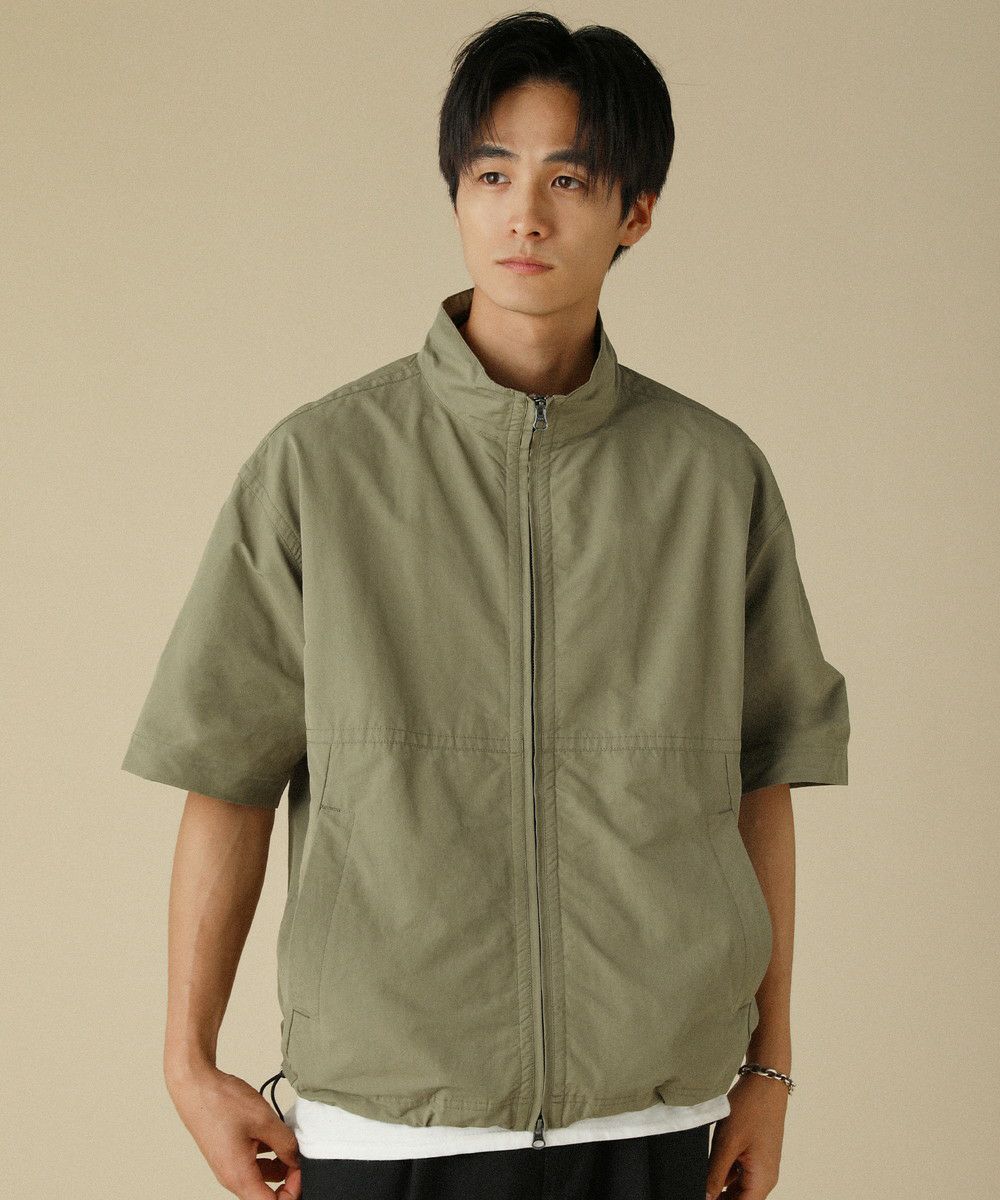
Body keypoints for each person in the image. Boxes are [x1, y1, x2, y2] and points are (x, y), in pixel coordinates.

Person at [121, 11, 849, 1200]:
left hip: (659, 1110)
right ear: (456, 195)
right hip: (390, 1119)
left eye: (569, 178)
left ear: (635, 212)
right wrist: (186, 1061)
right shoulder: (319, 465)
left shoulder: (713, 477)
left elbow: (760, 779)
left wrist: (767, 1071)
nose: (524, 215)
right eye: (492, 174)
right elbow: (226, 772)